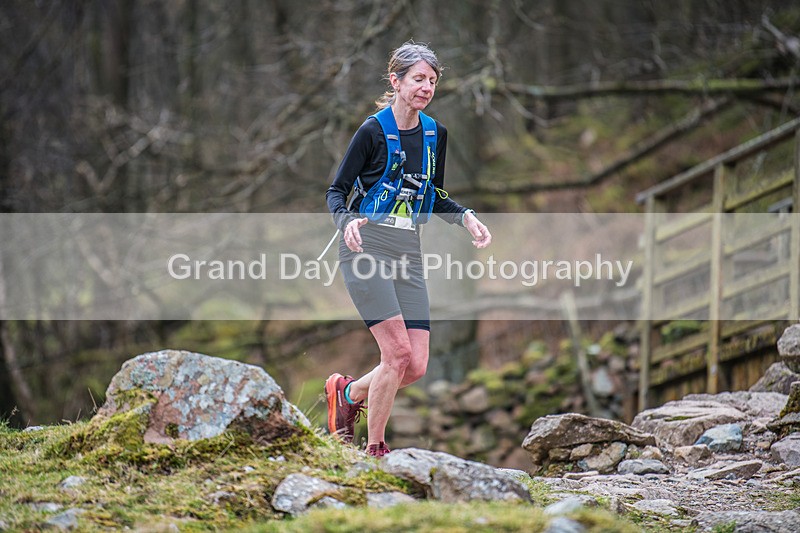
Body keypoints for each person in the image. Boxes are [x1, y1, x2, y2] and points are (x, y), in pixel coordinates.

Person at [324, 41, 491, 458]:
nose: (426, 87)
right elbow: (336, 191)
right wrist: (347, 222)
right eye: (418, 79)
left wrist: (465, 215)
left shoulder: (436, 134)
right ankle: (375, 450)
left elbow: (432, 194)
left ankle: (348, 393)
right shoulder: (372, 131)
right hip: (367, 248)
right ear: (396, 81)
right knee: (395, 353)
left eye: (432, 81)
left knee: (414, 365)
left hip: (407, 252)